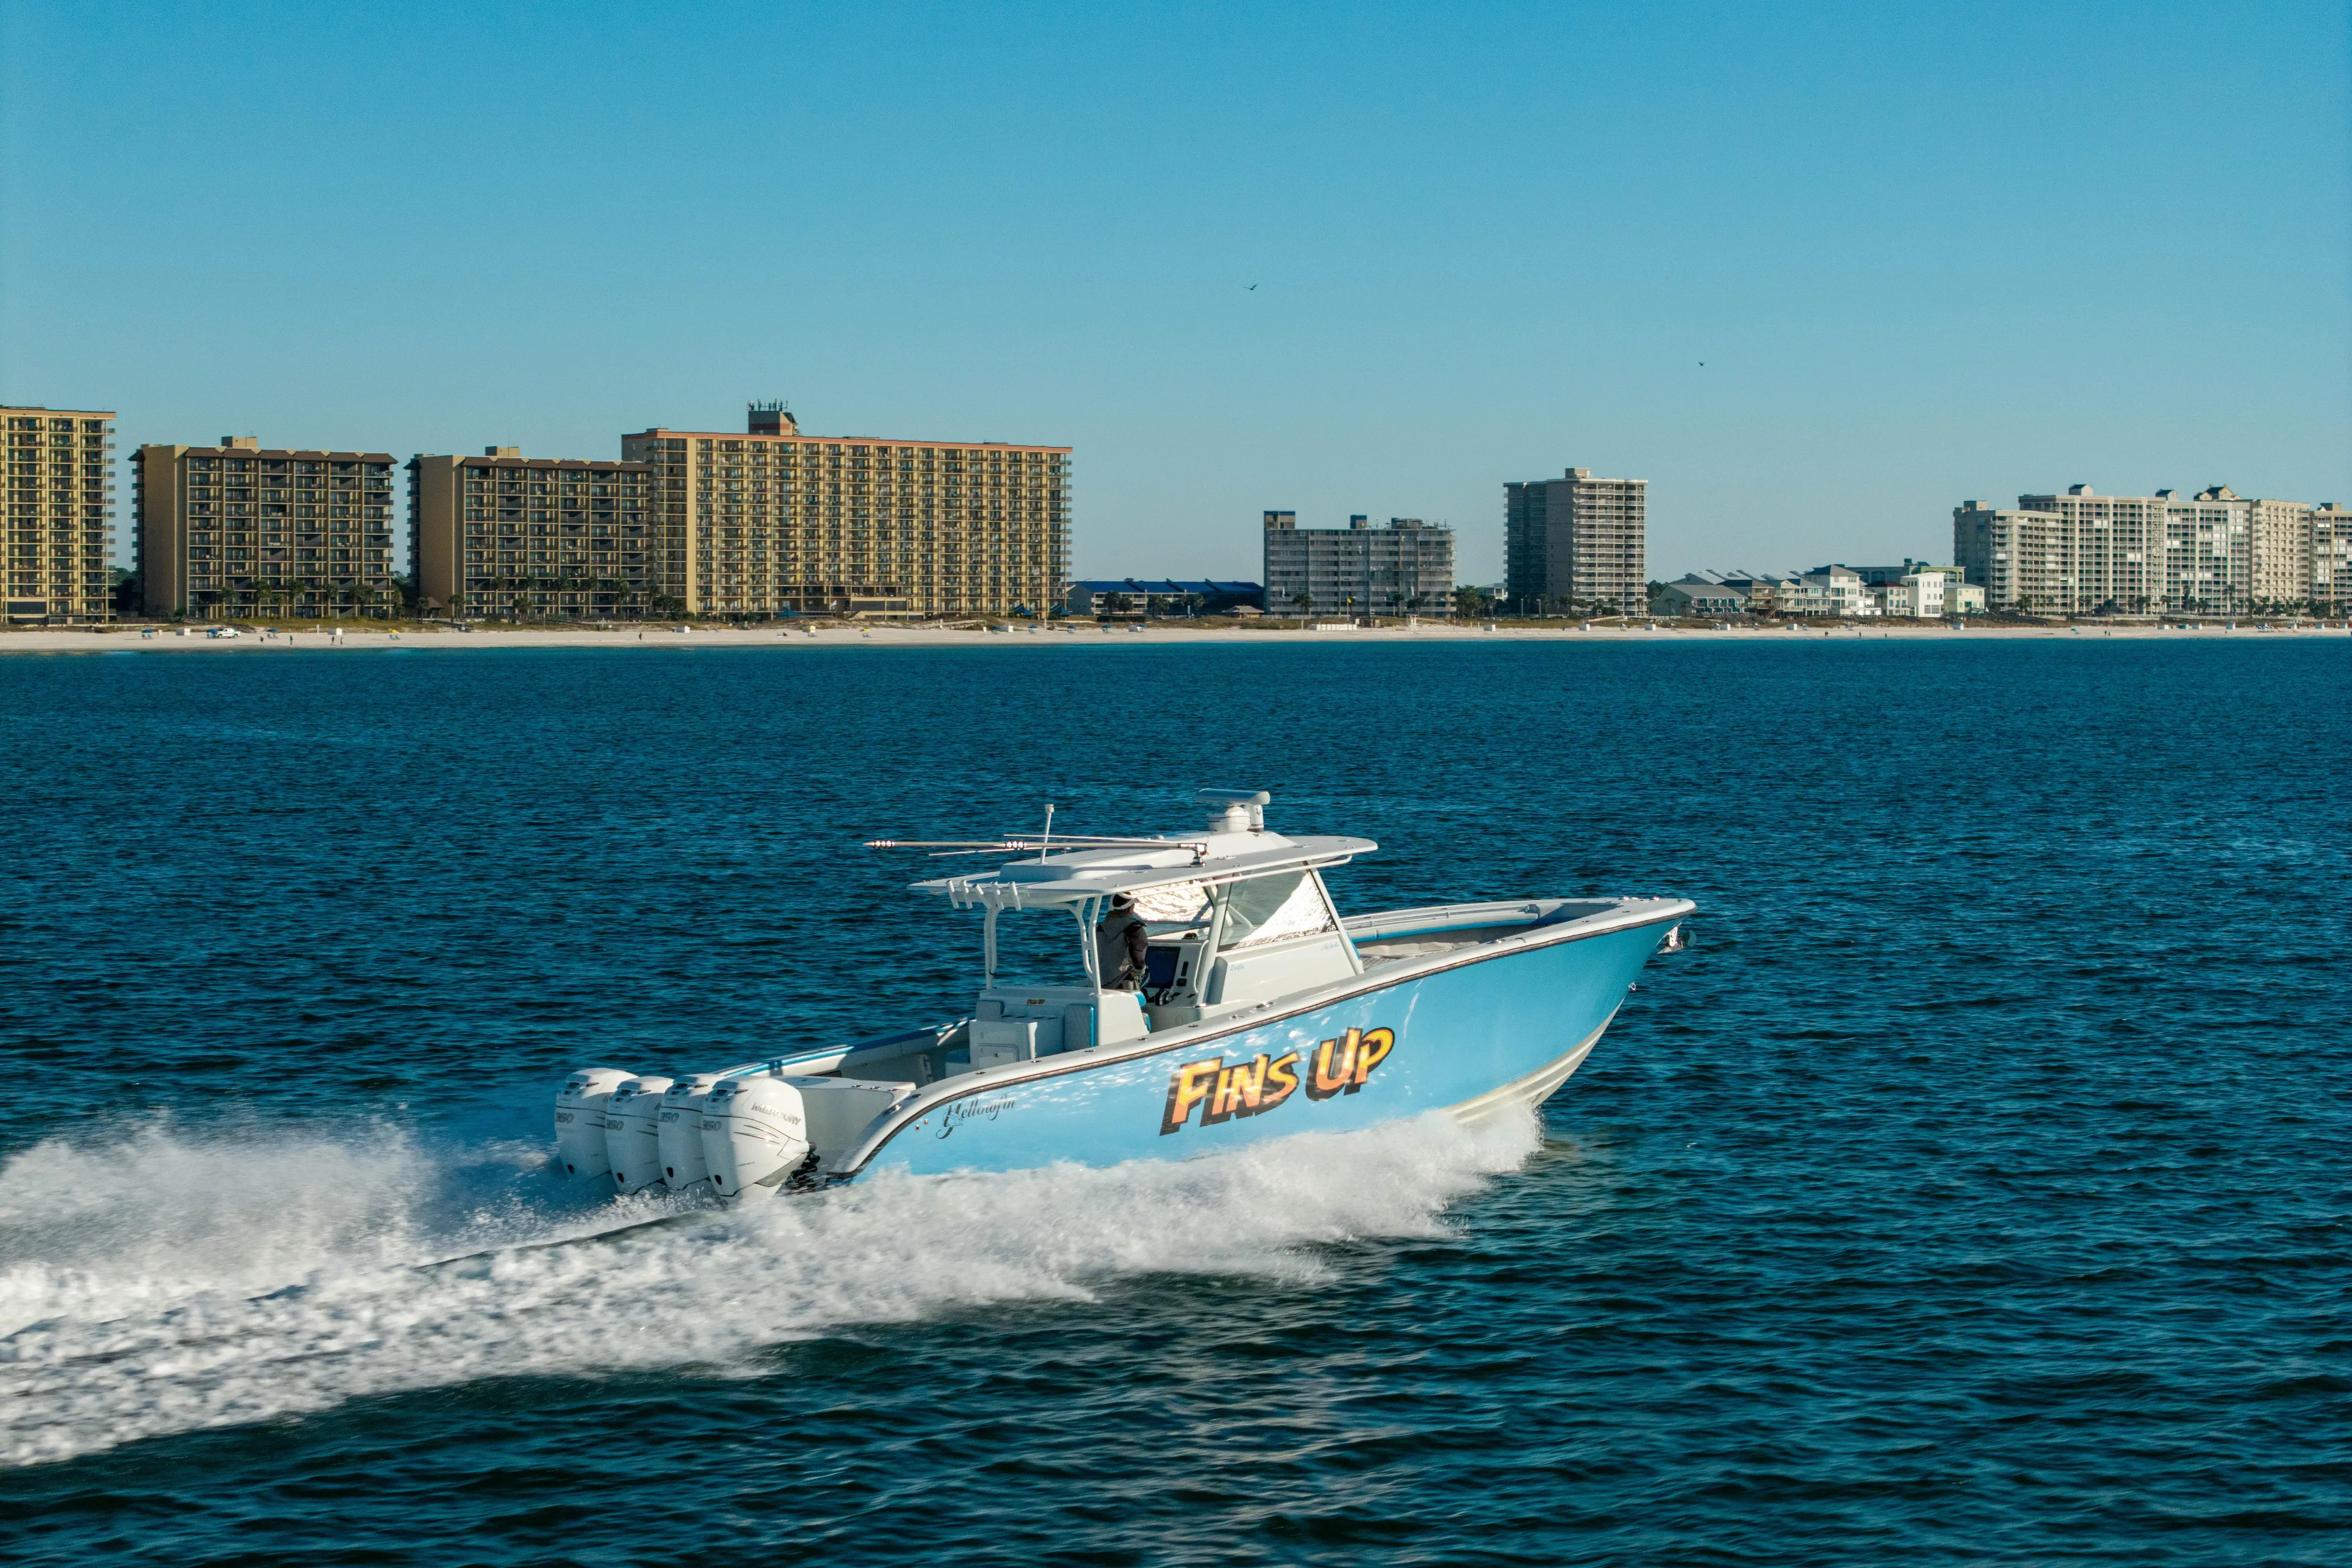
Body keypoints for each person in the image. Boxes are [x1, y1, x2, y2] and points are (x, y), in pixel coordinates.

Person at [1096, 893, 1150, 990]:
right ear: (1129, 908)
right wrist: (1141, 971)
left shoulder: (1101, 927)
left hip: (1100, 980)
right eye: (1133, 907)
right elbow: (1138, 956)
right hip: (1123, 982)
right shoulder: (1134, 928)